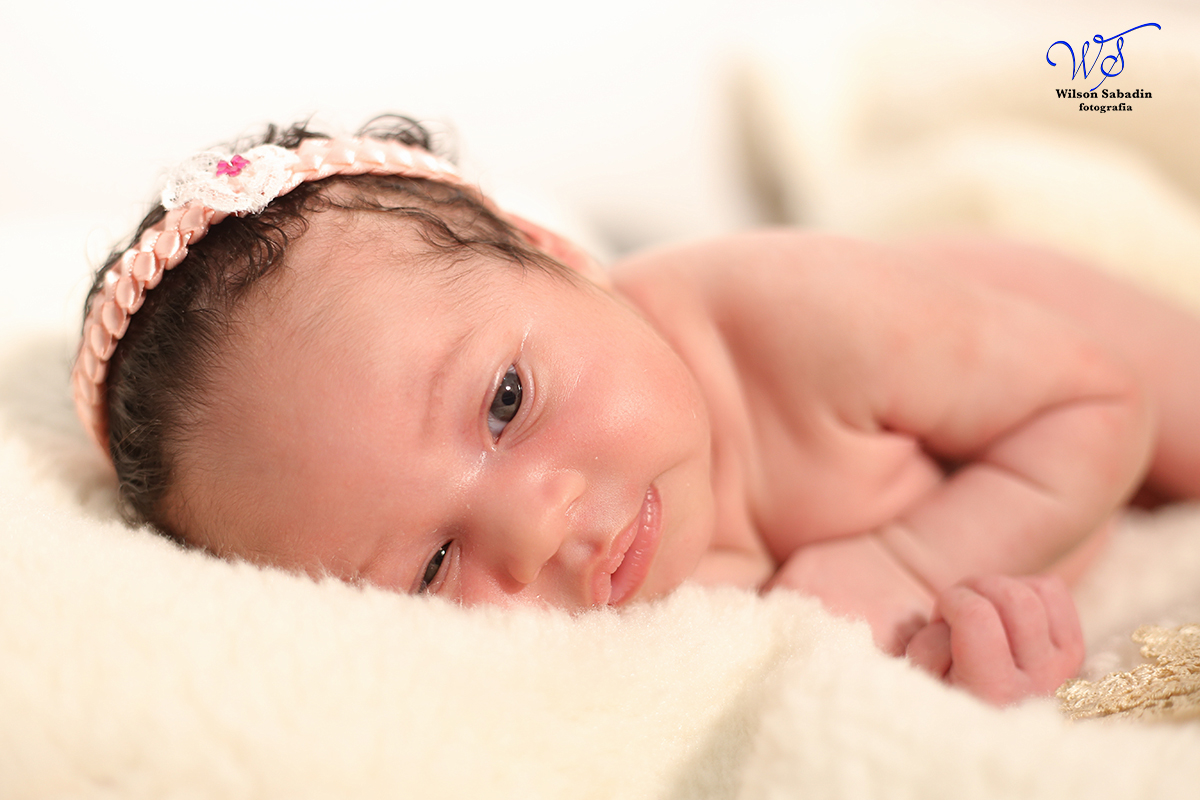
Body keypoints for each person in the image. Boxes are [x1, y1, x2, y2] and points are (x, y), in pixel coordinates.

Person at [75, 116, 1200, 706]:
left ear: (561, 256)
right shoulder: (622, 633)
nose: (533, 526)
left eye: (505, 402)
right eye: (432, 566)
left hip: (1071, 361)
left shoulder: (799, 318)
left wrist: (910, 559)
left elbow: (1097, 402)